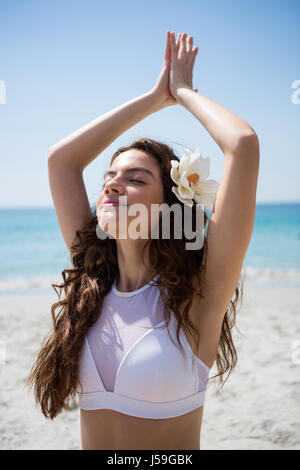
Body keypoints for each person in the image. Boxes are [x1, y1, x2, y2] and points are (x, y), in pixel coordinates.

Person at [26, 31, 260, 450]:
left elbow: (242, 145)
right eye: (109, 178)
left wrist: (182, 92)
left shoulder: (198, 296)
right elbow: (61, 160)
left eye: (136, 179)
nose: (114, 185)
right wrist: (154, 97)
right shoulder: (90, 283)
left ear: (169, 206)